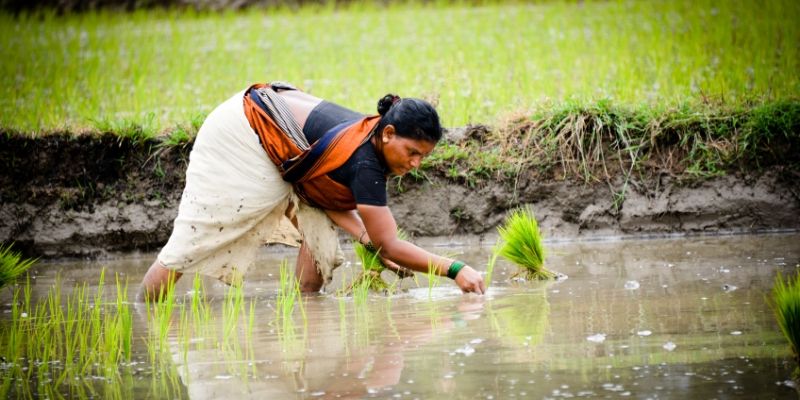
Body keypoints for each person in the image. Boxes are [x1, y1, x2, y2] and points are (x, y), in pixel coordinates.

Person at [140, 81, 485, 300]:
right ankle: (146, 312)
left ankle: (306, 306)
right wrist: (455, 269)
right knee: (193, 242)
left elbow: (323, 190)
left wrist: (369, 240)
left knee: (319, 237)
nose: (415, 165)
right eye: (412, 153)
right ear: (389, 133)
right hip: (243, 131)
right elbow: (388, 242)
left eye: (423, 157)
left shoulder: (372, 139)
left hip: (276, 134)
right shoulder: (365, 162)